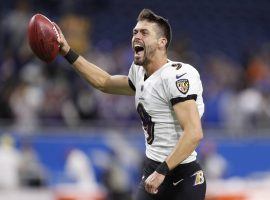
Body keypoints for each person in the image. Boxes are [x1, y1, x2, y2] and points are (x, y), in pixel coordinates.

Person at [54, 8, 206, 200]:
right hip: (153, 169)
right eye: (135, 32)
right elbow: (105, 82)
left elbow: (194, 133)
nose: (136, 36)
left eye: (144, 32)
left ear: (162, 42)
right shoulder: (140, 72)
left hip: (181, 177)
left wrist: (162, 172)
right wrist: (67, 52)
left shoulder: (177, 75)